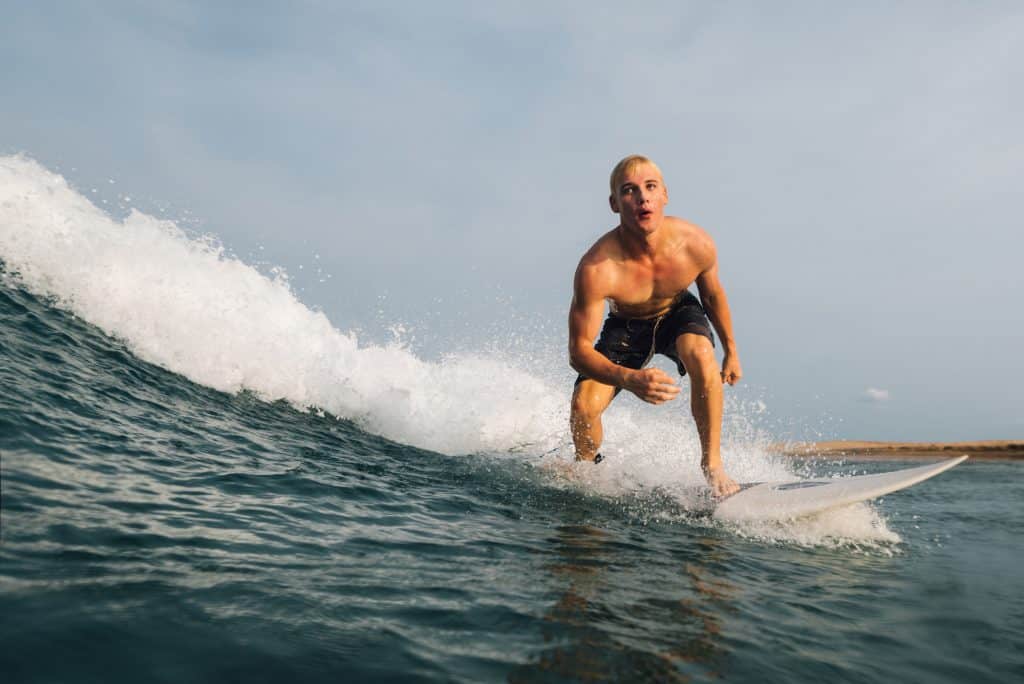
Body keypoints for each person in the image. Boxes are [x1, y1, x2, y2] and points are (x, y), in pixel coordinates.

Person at [568, 154, 742, 497]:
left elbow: (713, 296)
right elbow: (578, 353)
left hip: (678, 310)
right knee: (583, 406)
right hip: (626, 326)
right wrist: (629, 379)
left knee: (701, 354)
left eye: (650, 187)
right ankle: (585, 468)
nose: (643, 198)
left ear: (665, 195)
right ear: (615, 204)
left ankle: (713, 465)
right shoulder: (596, 268)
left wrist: (732, 351)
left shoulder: (696, 243)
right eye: (630, 191)